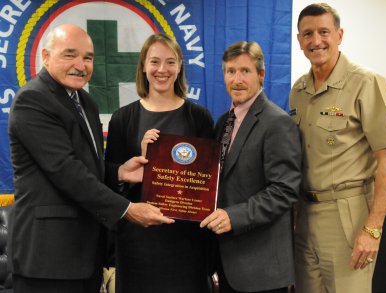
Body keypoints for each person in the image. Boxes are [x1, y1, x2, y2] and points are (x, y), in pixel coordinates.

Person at [7, 24, 173, 293]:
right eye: (70, 55)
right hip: (48, 259)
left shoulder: (85, 102)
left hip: (84, 255)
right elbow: (66, 171)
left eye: (88, 57)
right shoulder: (33, 100)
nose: (81, 65)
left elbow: (87, 167)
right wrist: (128, 209)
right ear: (46, 57)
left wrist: (119, 172)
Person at [290, 3, 386, 293]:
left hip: (347, 216)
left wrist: (372, 229)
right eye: (308, 33)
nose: (316, 41)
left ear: (339, 35)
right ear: (299, 40)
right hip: (304, 213)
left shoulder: (367, 83)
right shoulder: (298, 90)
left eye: (324, 32)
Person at [104, 32, 215, 293]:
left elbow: (209, 187)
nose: (162, 70)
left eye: (170, 62)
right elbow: (111, 184)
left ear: (179, 68)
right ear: (143, 66)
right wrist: (142, 164)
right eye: (154, 62)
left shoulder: (199, 117)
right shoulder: (122, 119)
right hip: (137, 246)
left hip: (187, 245)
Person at [200, 41, 302, 293]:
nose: (237, 79)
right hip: (227, 262)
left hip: (262, 269)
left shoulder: (277, 122)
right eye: (230, 71)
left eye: (245, 71)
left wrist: (234, 216)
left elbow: (284, 190)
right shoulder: (224, 121)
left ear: (261, 74)